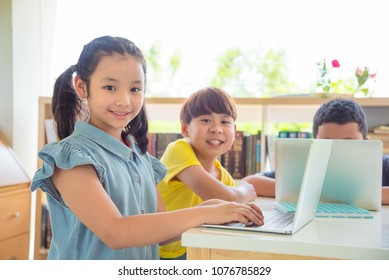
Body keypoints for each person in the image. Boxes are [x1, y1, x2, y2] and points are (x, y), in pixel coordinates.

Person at [30, 36, 263, 260]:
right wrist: (206, 213)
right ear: (82, 87)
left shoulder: (140, 156)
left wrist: (216, 208)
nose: (124, 101)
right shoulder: (70, 158)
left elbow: (160, 230)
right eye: (110, 87)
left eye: (135, 89)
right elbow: (116, 232)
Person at [157, 87, 257, 260]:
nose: (216, 128)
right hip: (164, 253)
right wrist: (245, 192)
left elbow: (231, 208)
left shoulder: (222, 174)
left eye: (225, 122)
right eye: (206, 120)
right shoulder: (178, 150)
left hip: (195, 247)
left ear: (234, 131)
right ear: (186, 129)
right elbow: (228, 197)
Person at [243, 98, 389, 205]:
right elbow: (249, 183)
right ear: (313, 143)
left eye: (348, 143)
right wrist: (311, 191)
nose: (336, 152)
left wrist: (361, 195)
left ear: (366, 143)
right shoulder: (306, 165)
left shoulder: (383, 165)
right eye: (327, 143)